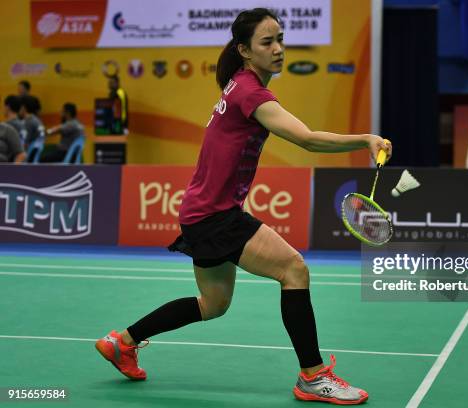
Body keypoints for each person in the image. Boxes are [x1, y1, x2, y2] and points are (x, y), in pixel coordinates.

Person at [95, 8, 391, 405]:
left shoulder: (238, 84)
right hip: (215, 214)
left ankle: (122, 342)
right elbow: (307, 139)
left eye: (280, 40)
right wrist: (366, 138)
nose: (279, 49)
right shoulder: (251, 92)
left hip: (200, 212)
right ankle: (313, 376)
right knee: (294, 269)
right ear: (244, 50)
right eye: (267, 42)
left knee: (213, 304)